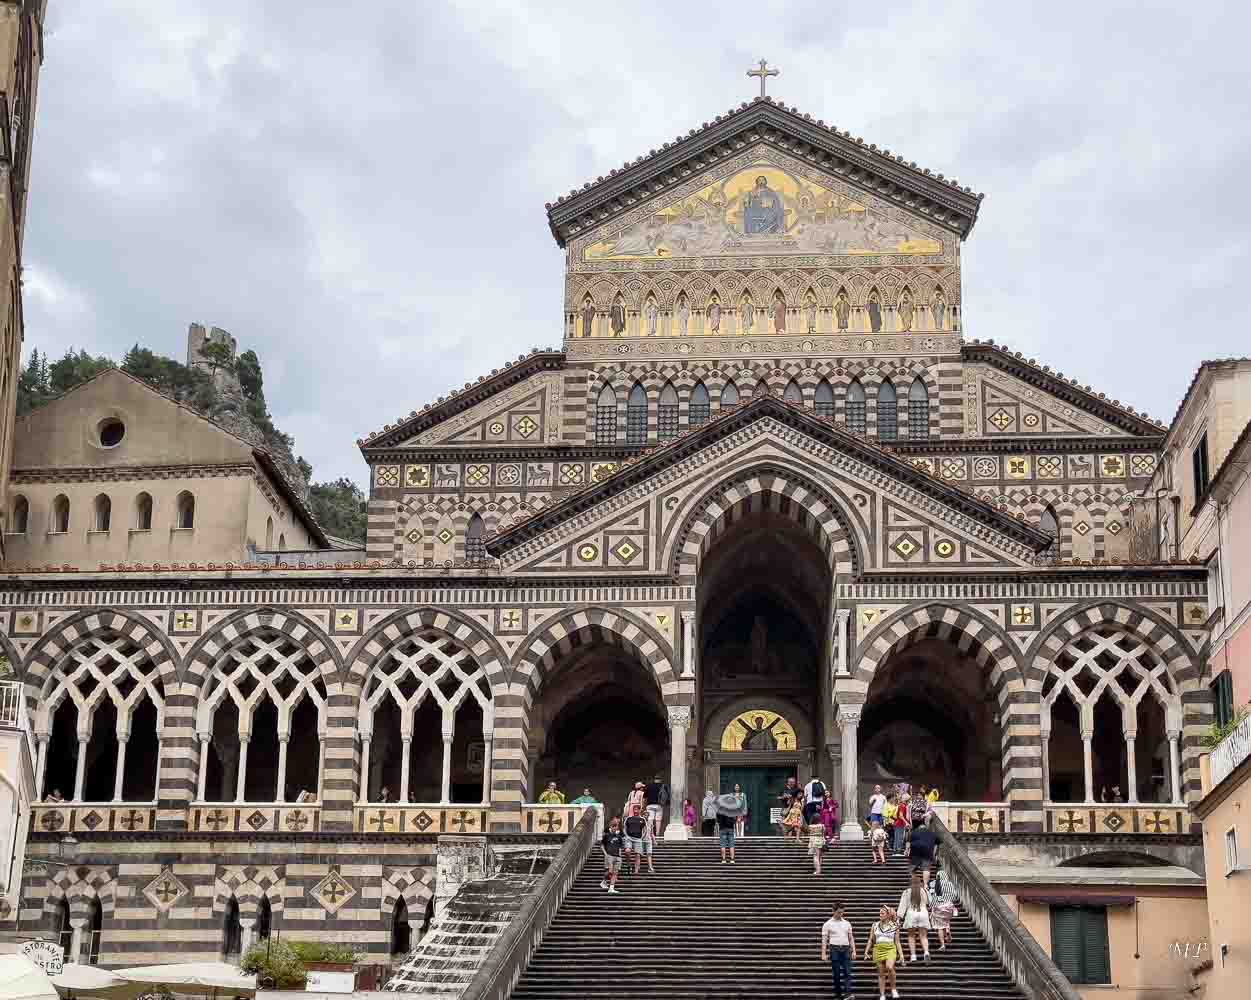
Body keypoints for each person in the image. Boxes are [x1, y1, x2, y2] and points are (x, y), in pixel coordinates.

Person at [821, 902, 857, 1000]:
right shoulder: (827, 924)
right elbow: (824, 940)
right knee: (836, 973)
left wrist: (854, 951)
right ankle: (838, 994)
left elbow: (851, 938)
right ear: (833, 911)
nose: (840, 914)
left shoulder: (847, 923)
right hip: (834, 949)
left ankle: (848, 994)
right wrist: (823, 953)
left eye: (842, 912)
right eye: (838, 912)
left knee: (847, 972)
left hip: (846, 949)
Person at [864, 904, 900, 1000]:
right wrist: (866, 951)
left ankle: (893, 989)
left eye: (882, 913)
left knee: (889, 967)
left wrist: (901, 955)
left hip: (890, 948)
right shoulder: (875, 925)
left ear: (888, 915)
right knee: (881, 973)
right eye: (880, 913)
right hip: (878, 948)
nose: (880, 915)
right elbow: (871, 939)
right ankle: (882, 994)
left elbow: (897, 941)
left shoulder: (894, 925)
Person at [897, 869, 932, 964]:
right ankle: (926, 952)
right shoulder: (924, 891)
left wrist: (899, 917)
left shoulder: (907, 892)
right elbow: (930, 902)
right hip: (923, 912)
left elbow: (902, 906)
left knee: (911, 935)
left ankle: (913, 956)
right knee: (923, 936)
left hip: (911, 913)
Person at [928, 869, 958, 951]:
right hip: (949, 906)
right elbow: (954, 895)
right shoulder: (950, 884)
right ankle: (948, 930)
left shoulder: (935, 883)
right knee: (946, 920)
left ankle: (942, 945)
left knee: (940, 927)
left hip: (939, 907)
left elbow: (931, 895)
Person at [623, 804, 654, 875]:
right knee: (627, 851)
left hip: (638, 839)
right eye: (634, 809)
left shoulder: (642, 819)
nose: (635, 811)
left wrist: (642, 837)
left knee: (638, 855)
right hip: (629, 838)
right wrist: (626, 835)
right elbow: (624, 827)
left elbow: (645, 829)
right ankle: (629, 864)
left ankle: (636, 871)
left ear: (640, 810)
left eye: (637, 809)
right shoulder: (628, 818)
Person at [600, 815, 626, 893]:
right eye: (613, 826)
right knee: (610, 871)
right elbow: (602, 845)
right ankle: (604, 881)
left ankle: (611, 888)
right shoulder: (607, 836)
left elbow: (620, 847)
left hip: (617, 856)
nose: (615, 828)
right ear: (611, 827)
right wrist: (606, 854)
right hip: (610, 855)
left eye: (616, 826)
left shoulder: (619, 837)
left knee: (615, 872)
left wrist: (620, 856)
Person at [644, 773, 668, 839]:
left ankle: (650, 833)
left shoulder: (649, 786)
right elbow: (666, 796)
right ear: (660, 780)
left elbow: (645, 796)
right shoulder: (663, 786)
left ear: (654, 779)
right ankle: (657, 834)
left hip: (650, 804)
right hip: (659, 805)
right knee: (658, 820)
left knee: (650, 819)